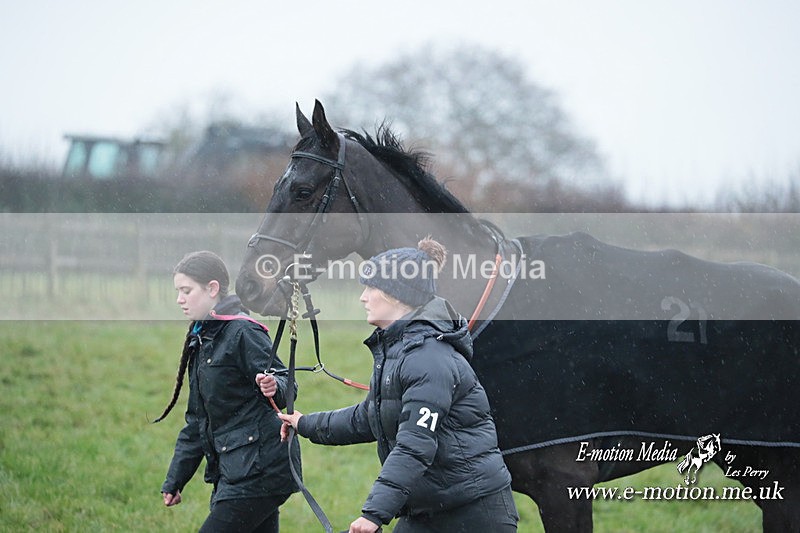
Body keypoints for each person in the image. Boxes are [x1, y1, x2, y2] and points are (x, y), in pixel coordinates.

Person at [263, 239, 519, 533]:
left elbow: (414, 445)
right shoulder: (398, 351)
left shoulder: (428, 359)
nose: (363, 297)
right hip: (425, 510)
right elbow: (369, 416)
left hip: (474, 514)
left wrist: (373, 515)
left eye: (371, 287)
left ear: (397, 294)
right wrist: (304, 423)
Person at [154, 250, 300, 533]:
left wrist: (274, 385)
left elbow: (286, 383)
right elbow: (197, 419)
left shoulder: (243, 332)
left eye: (186, 290)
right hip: (234, 469)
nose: (179, 299)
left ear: (212, 289)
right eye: (177, 291)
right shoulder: (202, 337)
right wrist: (176, 479)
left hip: (260, 471)